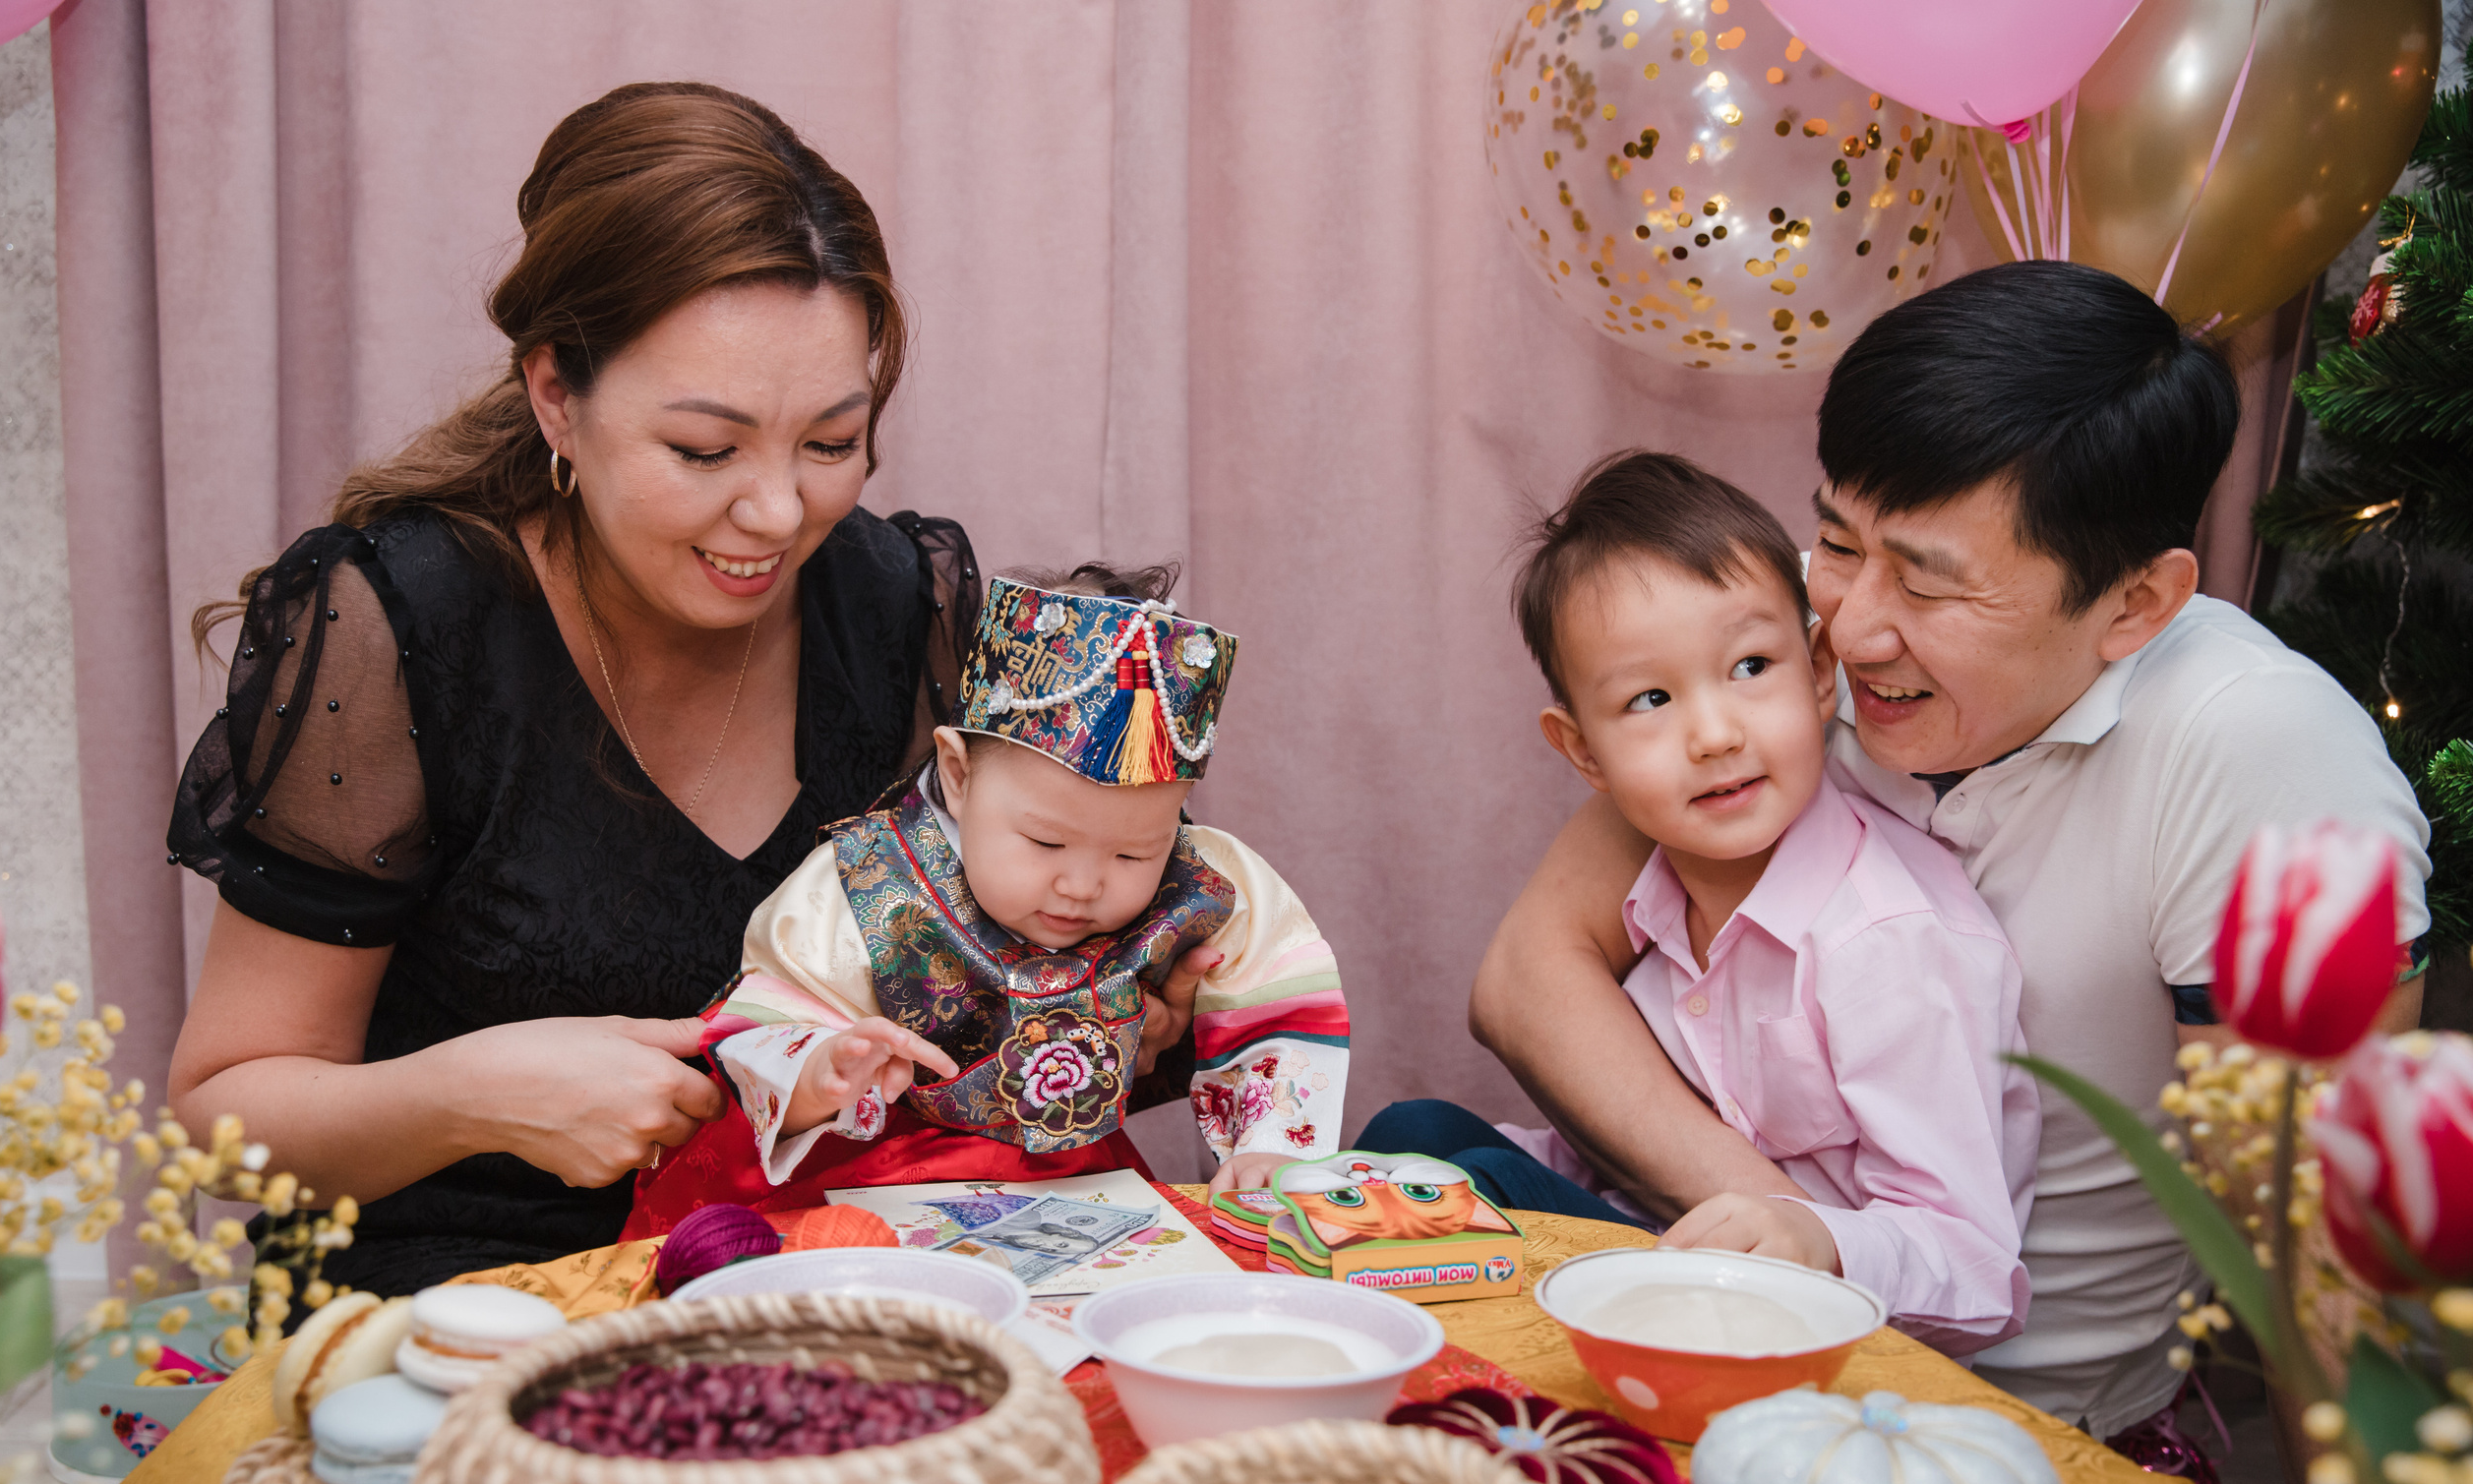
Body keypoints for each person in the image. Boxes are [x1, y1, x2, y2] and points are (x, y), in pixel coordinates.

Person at [160, 85, 1217, 1295]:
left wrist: (1117, 1017)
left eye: (829, 443)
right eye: (704, 452)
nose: (778, 515)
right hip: (468, 1296)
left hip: (820, 1268)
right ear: (557, 392)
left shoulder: (895, 604)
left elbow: (964, 999)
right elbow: (222, 1111)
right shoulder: (401, 622)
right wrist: (473, 1099)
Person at [1466, 262, 2431, 1444]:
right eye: (1836, 540)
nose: (1852, 628)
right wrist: (1768, 1227)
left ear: (2132, 606)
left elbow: (2315, 1255)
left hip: (2009, 1425)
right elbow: (1528, 975)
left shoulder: (2260, 757)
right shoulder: (1779, 663)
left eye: (1926, 583)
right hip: (1729, 1320)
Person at [1362, 453, 2037, 1356]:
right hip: (1672, 1253)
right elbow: (1631, 1178)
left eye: (1753, 665)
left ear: (1821, 670)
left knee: (1470, 1181)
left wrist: (1820, 1238)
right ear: (1584, 754)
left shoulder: (1886, 940)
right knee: (1413, 1141)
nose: (1716, 734)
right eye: (1650, 698)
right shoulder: (1656, 899)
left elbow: (1980, 1268)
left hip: (1814, 1336)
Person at [623, 566, 1352, 1237]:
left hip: (1068, 1174)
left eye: (1133, 852)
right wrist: (815, 1072)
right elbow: (774, 1012)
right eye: (1043, 843)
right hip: (860, 1167)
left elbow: (1282, 991)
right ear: (959, 774)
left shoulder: (1200, 880)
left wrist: (1271, 1143)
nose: (1082, 884)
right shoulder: (869, 882)